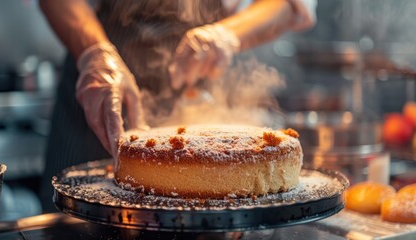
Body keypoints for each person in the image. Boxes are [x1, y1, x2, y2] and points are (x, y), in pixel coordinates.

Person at [38, 0, 317, 212]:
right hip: (97, 95)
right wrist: (94, 53)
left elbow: (290, 5)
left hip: (201, 94)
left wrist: (226, 35)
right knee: (74, 221)